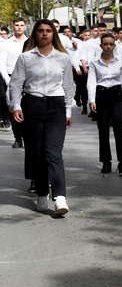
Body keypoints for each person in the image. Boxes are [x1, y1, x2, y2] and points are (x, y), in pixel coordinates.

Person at [9, 19, 75, 216]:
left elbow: (69, 86)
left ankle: (60, 196)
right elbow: (16, 84)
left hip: (56, 106)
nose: (45, 34)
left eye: (48, 31)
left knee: (53, 151)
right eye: (41, 31)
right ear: (35, 34)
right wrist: (17, 106)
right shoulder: (25, 58)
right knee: (37, 153)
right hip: (33, 105)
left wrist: (68, 111)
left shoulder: (63, 58)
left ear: (53, 34)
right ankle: (42, 193)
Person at [87, 33, 122, 176]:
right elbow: (92, 82)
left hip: (116, 94)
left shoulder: (121, 61)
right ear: (101, 46)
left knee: (119, 127)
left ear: (114, 45)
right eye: (105, 44)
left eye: (111, 44)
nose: (108, 47)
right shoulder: (94, 62)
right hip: (101, 94)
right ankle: (106, 161)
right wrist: (92, 100)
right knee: (103, 128)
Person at [3, 17, 30, 148]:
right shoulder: (6, 43)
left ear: (25, 27)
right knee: (13, 107)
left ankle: (27, 136)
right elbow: (1, 63)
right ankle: (17, 137)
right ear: (12, 27)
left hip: (28, 78)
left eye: (21, 25)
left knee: (27, 107)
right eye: (16, 25)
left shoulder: (30, 42)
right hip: (10, 77)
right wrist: (8, 80)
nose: (19, 27)